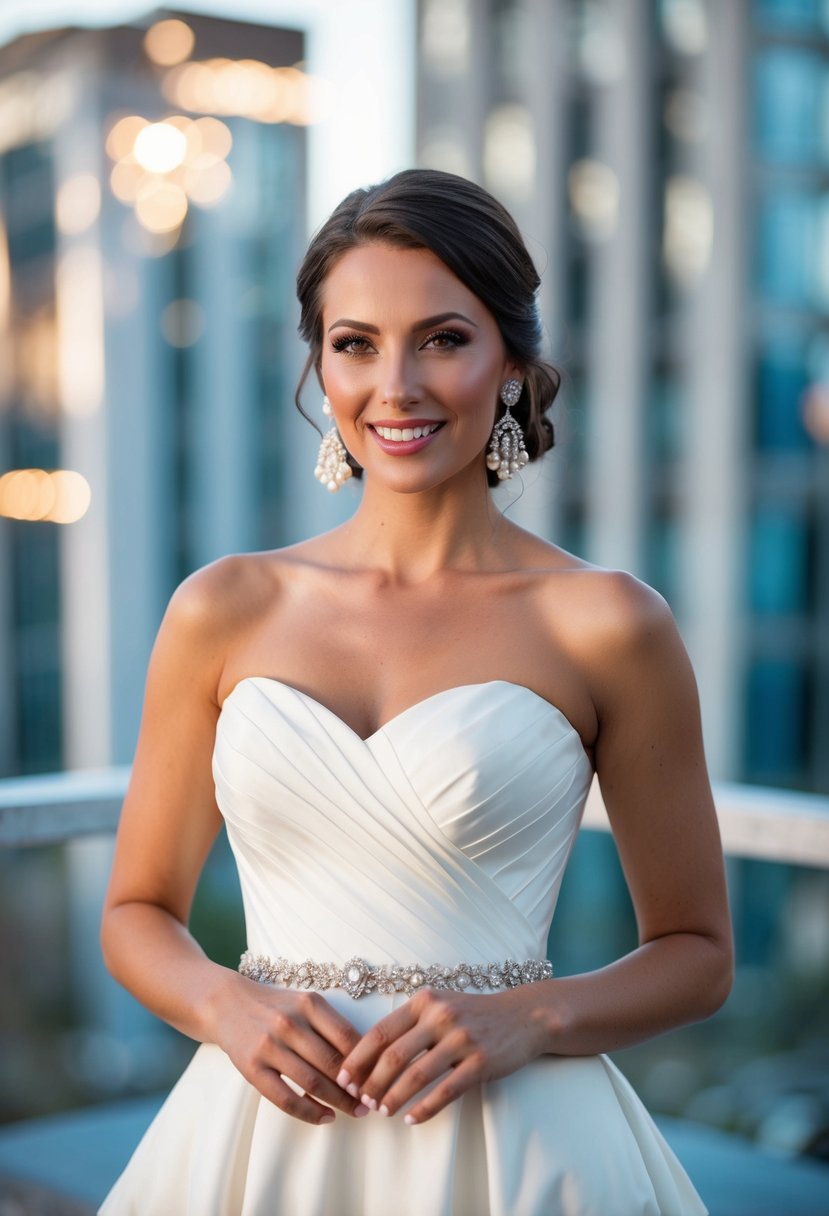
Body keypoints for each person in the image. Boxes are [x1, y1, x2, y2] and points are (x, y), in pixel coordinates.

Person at [99, 168, 733, 1216]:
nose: (394, 386)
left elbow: (698, 955)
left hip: (515, 1149)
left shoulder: (608, 623)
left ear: (513, 363)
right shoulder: (224, 606)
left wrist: (530, 1016)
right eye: (354, 343)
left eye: (442, 338)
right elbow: (134, 911)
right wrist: (224, 1003)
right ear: (319, 364)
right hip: (262, 1140)